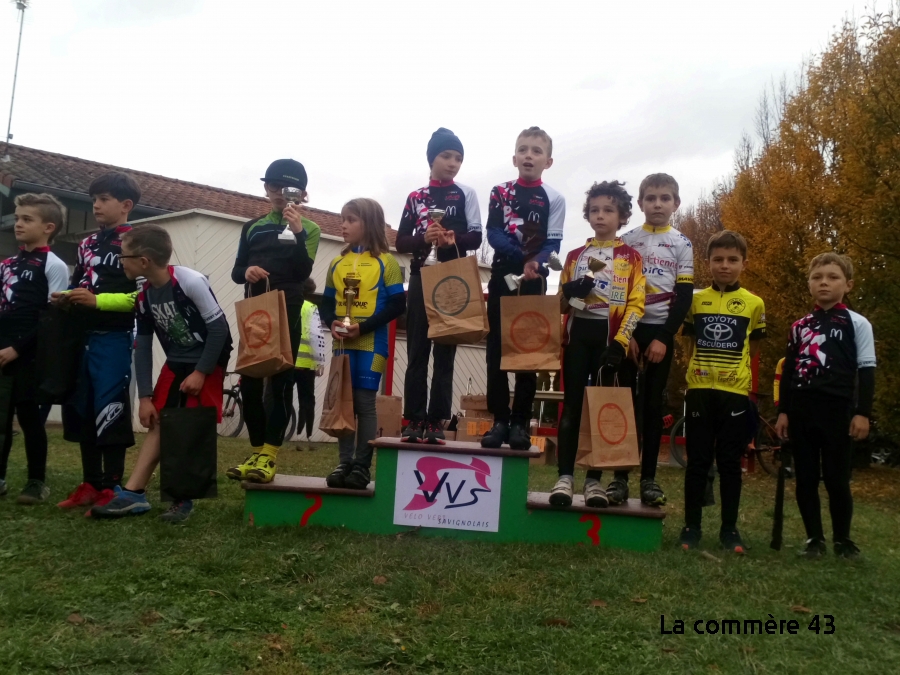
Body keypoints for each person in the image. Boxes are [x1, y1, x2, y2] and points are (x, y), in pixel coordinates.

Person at [89, 224, 232, 522]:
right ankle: (134, 494)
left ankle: (183, 500)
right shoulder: (144, 296)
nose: (120, 261)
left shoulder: (190, 282)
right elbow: (142, 346)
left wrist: (202, 372)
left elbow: (219, 330)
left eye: (123, 255)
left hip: (208, 360)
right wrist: (145, 397)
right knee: (158, 422)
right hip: (176, 361)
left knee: (187, 426)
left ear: (144, 261)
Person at [775, 253, 875, 559]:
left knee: (836, 478)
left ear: (848, 284)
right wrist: (783, 412)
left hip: (838, 411)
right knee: (805, 477)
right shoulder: (800, 326)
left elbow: (867, 369)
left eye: (832, 277)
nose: (824, 283)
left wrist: (862, 413)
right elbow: (789, 371)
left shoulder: (857, 323)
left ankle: (843, 540)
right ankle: (813, 539)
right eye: (818, 277)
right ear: (809, 283)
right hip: (802, 411)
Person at [551, 181, 645, 507]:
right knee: (572, 407)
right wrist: (569, 293)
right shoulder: (576, 256)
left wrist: (621, 342)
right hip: (579, 336)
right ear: (587, 215)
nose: (600, 215)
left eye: (608, 210)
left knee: (602, 409)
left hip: (610, 338)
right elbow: (560, 306)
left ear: (622, 216)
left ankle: (594, 482)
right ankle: (564, 477)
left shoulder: (631, 258)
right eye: (594, 210)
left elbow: (636, 305)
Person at [53, 172, 142, 515]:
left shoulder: (137, 242)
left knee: (110, 410)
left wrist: (99, 302)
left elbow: (143, 296)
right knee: (84, 409)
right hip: (83, 337)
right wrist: (65, 298)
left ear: (125, 205)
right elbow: (81, 283)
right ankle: (90, 483)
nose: (96, 205)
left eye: (104, 199)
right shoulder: (87, 244)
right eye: (94, 199)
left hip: (115, 338)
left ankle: (111, 486)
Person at [226, 159, 316, 484]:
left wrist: (297, 230)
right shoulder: (251, 226)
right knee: (249, 384)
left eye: (289, 188)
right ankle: (255, 450)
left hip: (288, 308)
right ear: (266, 188)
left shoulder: (311, 229)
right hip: (255, 310)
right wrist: (246, 272)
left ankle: (270, 454)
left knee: (279, 385)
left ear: (302, 195)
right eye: (274, 186)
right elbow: (237, 271)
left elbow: (303, 271)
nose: (280, 194)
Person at [679, 230, 766, 554]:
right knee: (698, 460)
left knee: (730, 462)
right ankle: (691, 527)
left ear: (743, 263)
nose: (725, 265)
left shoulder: (754, 303)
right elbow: (688, 341)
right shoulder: (696, 300)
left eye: (732, 260)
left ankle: (730, 530)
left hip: (735, 393)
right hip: (700, 388)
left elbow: (753, 347)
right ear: (708, 262)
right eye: (718, 259)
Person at [396, 128, 482, 443]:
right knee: (418, 350)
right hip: (420, 276)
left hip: (452, 278)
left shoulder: (465, 194)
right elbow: (401, 241)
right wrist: (425, 238)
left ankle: (437, 421)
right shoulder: (416, 197)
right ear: (433, 157)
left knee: (445, 352)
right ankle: (414, 419)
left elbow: (476, 236)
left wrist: (452, 238)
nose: (453, 163)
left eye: (458, 158)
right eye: (447, 156)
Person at [481, 126, 565, 450]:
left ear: (549, 161)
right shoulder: (500, 191)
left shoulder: (554, 198)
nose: (529, 155)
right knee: (497, 350)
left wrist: (537, 264)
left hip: (535, 279)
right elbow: (494, 233)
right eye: (523, 149)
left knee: (529, 351)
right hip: (504, 272)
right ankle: (499, 420)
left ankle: (520, 423)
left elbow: (553, 241)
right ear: (514, 157)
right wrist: (522, 258)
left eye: (537, 151)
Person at [618, 173, 694, 506]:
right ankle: (618, 478)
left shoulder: (682, 243)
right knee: (623, 406)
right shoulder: (628, 239)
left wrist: (664, 337)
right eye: (651, 198)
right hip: (629, 332)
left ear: (676, 203)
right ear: (640, 204)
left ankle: (649, 479)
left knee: (651, 409)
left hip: (660, 334)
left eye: (665, 198)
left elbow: (685, 295)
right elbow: (619, 290)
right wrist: (628, 332)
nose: (658, 204)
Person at [321, 198, 405, 490]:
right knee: (343, 402)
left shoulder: (387, 262)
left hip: (373, 344)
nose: (343, 225)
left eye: (351, 220)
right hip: (342, 345)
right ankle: (344, 463)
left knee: (365, 404)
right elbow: (326, 303)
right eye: (343, 219)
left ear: (368, 223)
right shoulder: (336, 262)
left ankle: (361, 467)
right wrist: (331, 322)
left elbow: (397, 305)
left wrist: (364, 327)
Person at [0, 193, 69, 503]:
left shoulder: (53, 265)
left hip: (30, 354)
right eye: (17, 218)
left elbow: (52, 316)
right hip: (2, 350)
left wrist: (17, 348)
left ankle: (36, 482)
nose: (19, 224)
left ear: (48, 227)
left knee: (29, 418)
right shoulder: (7, 264)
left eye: (27, 219)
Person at [294, 278, 326, 450]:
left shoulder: (292, 304)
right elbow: (316, 336)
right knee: (307, 400)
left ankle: (283, 434)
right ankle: (306, 435)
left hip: (290, 361)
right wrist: (320, 361)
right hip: (306, 362)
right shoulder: (311, 308)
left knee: (282, 397)